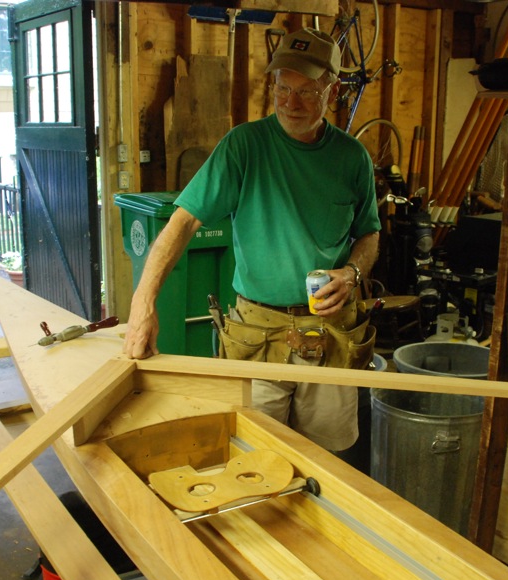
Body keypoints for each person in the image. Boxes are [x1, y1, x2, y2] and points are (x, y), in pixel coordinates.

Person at [123, 27, 382, 454]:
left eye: (307, 91)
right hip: (258, 335)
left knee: (327, 460)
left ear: (332, 91)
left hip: (330, 335)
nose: (291, 103)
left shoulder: (352, 157)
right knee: (252, 454)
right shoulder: (244, 146)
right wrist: (143, 303)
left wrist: (352, 273)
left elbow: (369, 233)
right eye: (283, 88)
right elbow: (183, 222)